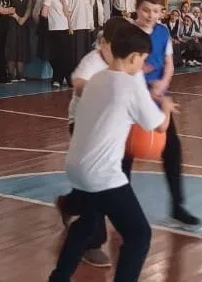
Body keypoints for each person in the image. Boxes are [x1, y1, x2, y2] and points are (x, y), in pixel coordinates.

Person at [49, 22, 175, 282]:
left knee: (86, 223)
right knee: (139, 235)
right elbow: (159, 125)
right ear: (133, 57)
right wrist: (166, 105)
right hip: (102, 173)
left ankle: (58, 278)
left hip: (77, 166)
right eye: (143, 58)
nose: (144, 64)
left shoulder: (97, 79)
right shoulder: (129, 86)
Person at [56, 17, 137, 269]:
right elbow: (78, 83)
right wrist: (102, 88)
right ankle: (92, 242)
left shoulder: (126, 60)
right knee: (97, 181)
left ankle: (69, 203)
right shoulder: (92, 62)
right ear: (103, 43)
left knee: (101, 180)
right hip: (84, 126)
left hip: (110, 126)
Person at [121, 0, 201, 226]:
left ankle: (178, 205)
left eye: (156, 11)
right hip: (131, 98)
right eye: (146, 10)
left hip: (157, 97)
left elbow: (169, 64)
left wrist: (163, 83)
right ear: (137, 9)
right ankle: (119, 206)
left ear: (162, 12)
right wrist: (138, 77)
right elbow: (119, 66)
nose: (151, 15)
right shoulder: (126, 32)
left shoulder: (163, 32)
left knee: (172, 148)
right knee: (125, 153)